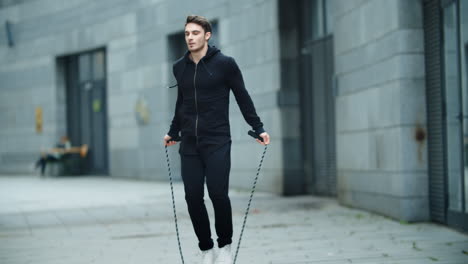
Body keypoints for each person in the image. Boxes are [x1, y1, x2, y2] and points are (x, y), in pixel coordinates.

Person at [164, 15, 270, 264]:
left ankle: (225, 246)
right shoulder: (180, 66)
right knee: (192, 197)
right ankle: (206, 248)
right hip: (190, 142)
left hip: (218, 140)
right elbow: (182, 103)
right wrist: (173, 131)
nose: (190, 37)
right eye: (187, 33)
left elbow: (242, 96)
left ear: (207, 35)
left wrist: (258, 127)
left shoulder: (225, 64)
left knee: (218, 194)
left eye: (195, 33)